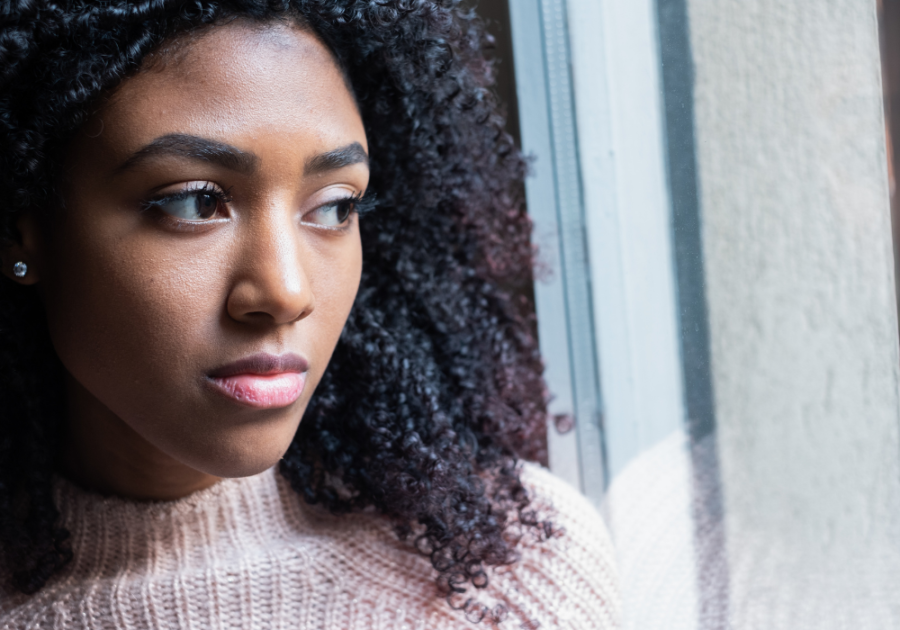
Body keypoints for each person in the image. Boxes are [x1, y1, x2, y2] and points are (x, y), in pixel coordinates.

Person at [0, 1, 620, 627]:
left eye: (333, 208)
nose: (286, 290)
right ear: (22, 234)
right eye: (193, 204)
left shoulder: (512, 577)